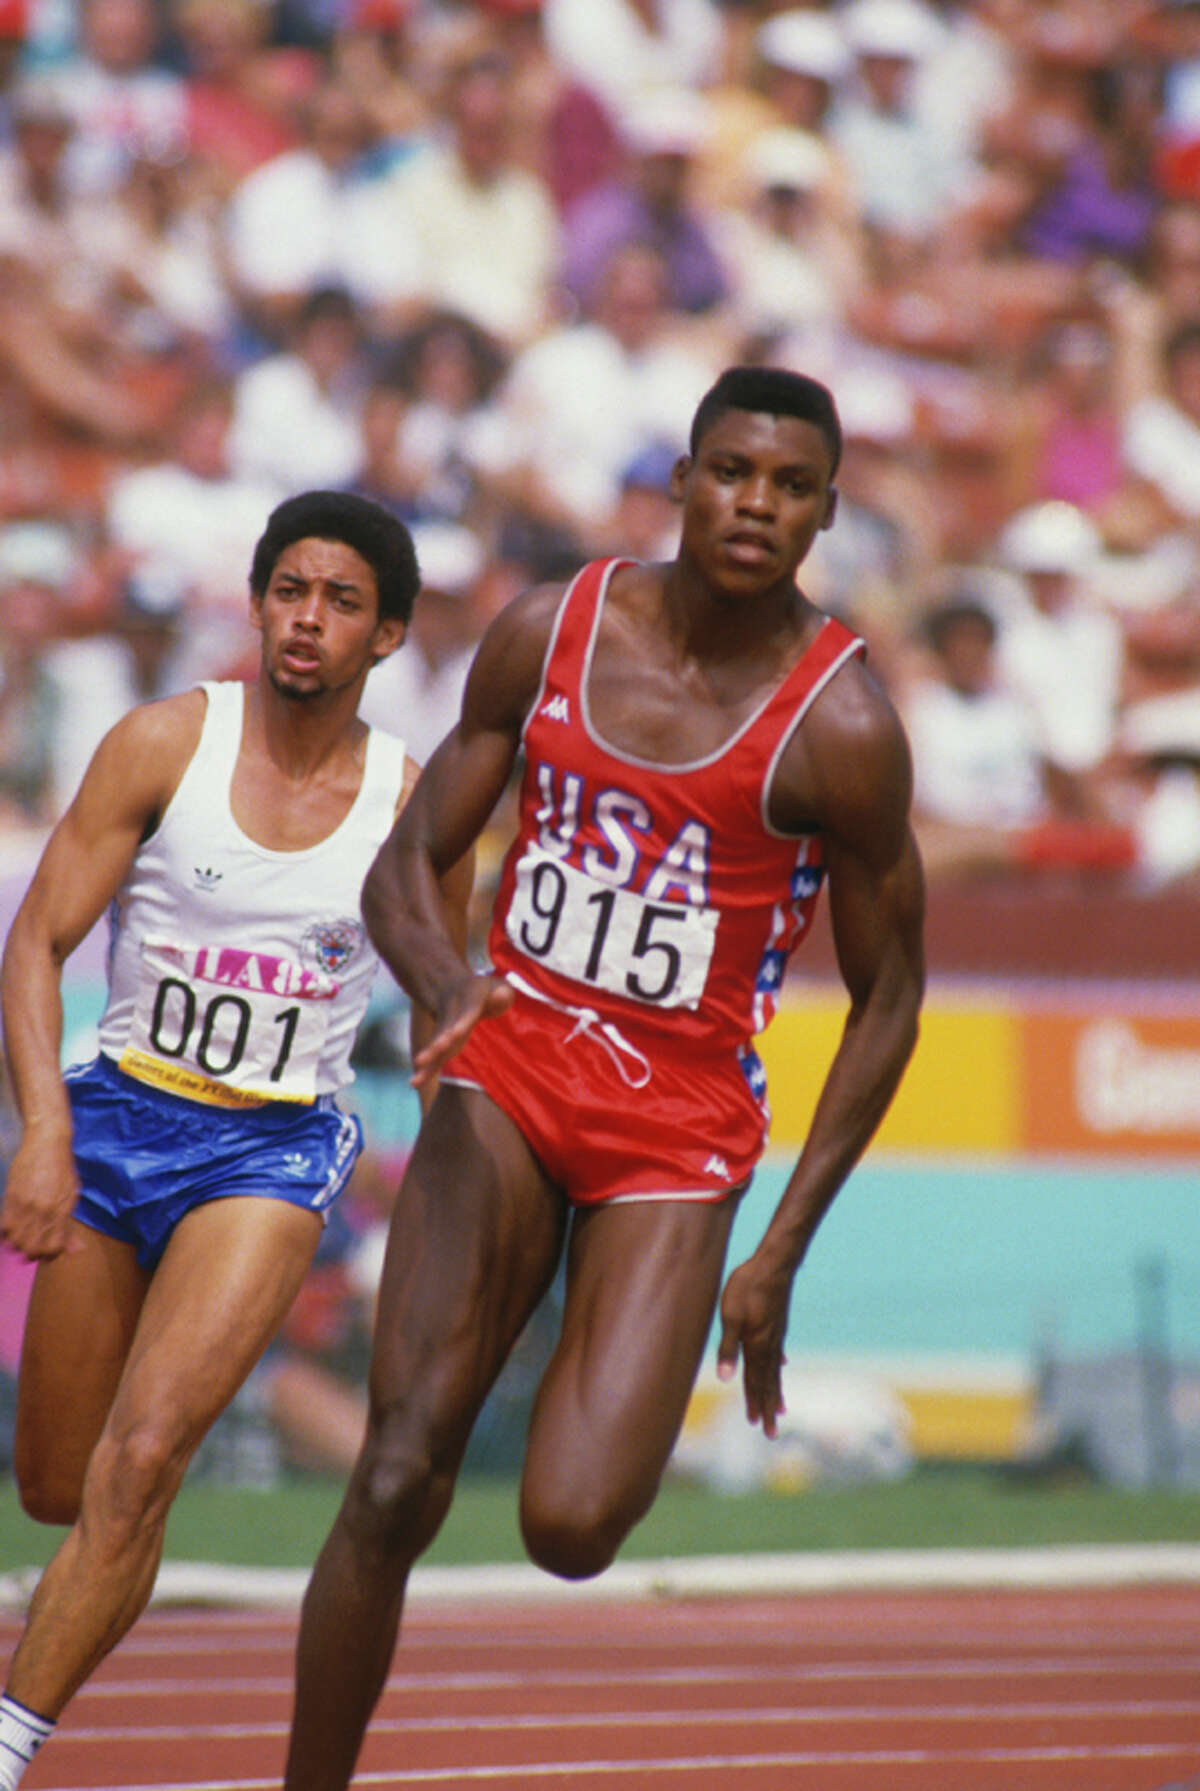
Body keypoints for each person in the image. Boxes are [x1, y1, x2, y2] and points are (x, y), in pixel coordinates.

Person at [282, 365, 926, 1791]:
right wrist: (448, 985)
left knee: (572, 1528)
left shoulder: (845, 726)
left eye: (791, 485)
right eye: (732, 471)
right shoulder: (554, 628)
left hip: (677, 1127)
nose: (756, 503)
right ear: (684, 478)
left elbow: (891, 1004)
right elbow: (410, 861)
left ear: (825, 514)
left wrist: (780, 1250)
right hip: (507, 1071)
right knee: (394, 1477)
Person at [0, 489, 470, 1791]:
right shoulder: (164, 742)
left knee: (144, 1460)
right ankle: (88, 1575)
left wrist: (446, 1229)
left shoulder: (410, 807)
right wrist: (44, 1135)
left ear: (387, 639)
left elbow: (448, 1025)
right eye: (289, 592)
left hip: (270, 1148)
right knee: (60, 1488)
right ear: (259, 603)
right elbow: (34, 943)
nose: (307, 621)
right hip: (116, 1120)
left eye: (340, 602)